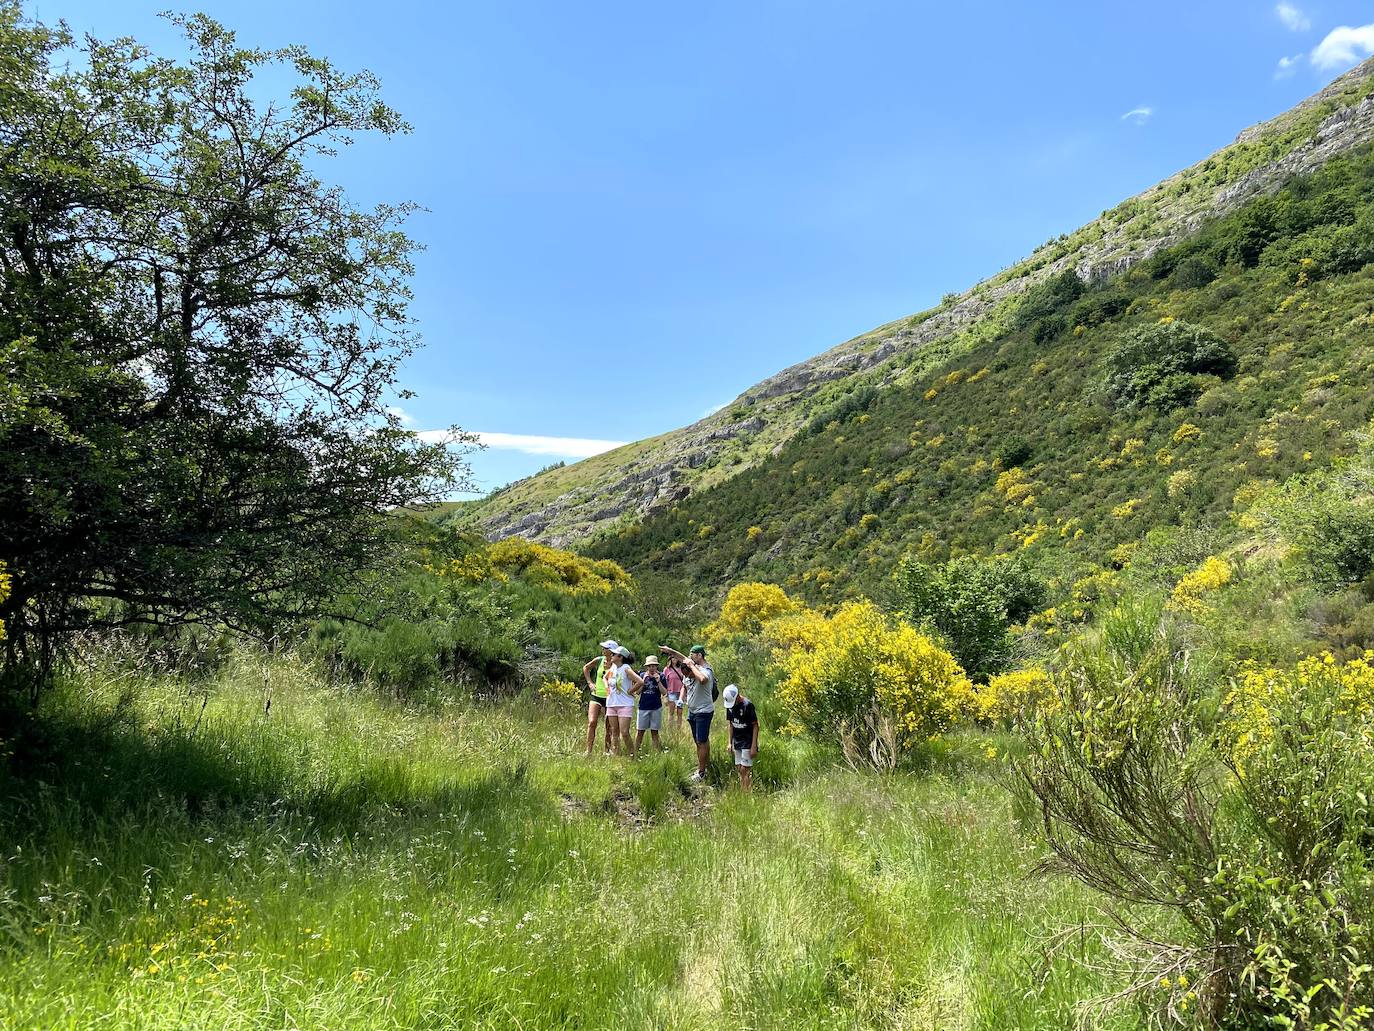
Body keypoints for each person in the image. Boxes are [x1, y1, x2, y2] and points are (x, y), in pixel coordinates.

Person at [659, 643, 715, 782]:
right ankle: (705, 765)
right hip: (693, 710)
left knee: (702, 741)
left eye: (692, 655)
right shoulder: (693, 667)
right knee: (699, 741)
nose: (689, 658)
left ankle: (701, 772)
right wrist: (670, 650)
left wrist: (691, 666)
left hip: (703, 711)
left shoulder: (706, 670)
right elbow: (683, 658)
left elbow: (702, 680)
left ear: (699, 656)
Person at [604, 645, 643, 757]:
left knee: (624, 732)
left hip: (625, 704)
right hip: (612, 703)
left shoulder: (626, 668)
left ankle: (632, 755)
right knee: (614, 732)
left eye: (614, 654)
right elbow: (605, 677)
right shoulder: (613, 668)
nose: (611, 655)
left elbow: (640, 681)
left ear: (620, 657)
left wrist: (631, 691)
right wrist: (607, 688)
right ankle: (616, 756)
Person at [582, 639, 618, 757]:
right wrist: (590, 683)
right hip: (596, 695)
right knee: (592, 722)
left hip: (610, 698)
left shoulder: (617, 664)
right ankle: (588, 751)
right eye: (603, 648)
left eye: (605, 648)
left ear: (611, 651)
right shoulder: (599, 660)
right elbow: (586, 668)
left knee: (609, 727)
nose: (603, 650)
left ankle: (607, 751)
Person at [721, 684, 759, 792]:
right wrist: (730, 742)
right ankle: (745, 789)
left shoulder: (748, 705)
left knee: (744, 769)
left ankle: (746, 794)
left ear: (737, 696)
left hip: (747, 740)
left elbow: (755, 725)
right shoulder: (730, 707)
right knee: (739, 768)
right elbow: (731, 724)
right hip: (736, 740)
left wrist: (754, 746)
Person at [633, 655, 668, 755]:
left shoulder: (661, 676)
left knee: (655, 732)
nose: (652, 668)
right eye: (649, 666)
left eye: (653, 666)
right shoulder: (642, 675)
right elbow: (638, 692)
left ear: (657, 666)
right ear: (646, 667)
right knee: (640, 731)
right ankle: (635, 752)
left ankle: (656, 753)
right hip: (643, 707)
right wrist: (642, 681)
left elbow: (664, 692)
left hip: (656, 707)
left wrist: (658, 681)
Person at [662, 655, 686, 731]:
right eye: (673, 658)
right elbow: (663, 682)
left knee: (680, 712)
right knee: (671, 712)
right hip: (671, 692)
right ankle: (670, 730)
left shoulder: (681, 668)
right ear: (670, 659)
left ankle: (678, 730)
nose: (674, 659)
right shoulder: (666, 669)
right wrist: (665, 695)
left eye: (676, 657)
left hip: (681, 693)